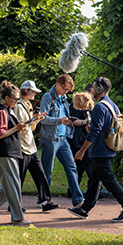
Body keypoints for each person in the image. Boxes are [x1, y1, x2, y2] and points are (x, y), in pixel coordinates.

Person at [67, 77, 123, 223]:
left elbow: (94, 132)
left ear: (99, 88)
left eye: (93, 87)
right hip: (107, 149)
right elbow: (102, 127)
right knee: (94, 179)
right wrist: (91, 128)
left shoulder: (99, 106)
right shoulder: (112, 105)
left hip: (100, 151)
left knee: (109, 181)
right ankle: (84, 209)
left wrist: (82, 151)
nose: (92, 90)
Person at [0, 81, 30, 225]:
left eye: (17, 99)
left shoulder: (9, 110)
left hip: (11, 150)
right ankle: (17, 217)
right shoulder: (2, 111)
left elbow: (13, 129)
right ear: (7, 98)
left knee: (11, 183)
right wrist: (16, 128)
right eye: (15, 99)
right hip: (5, 151)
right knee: (13, 185)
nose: (17, 101)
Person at [38, 74, 84, 207]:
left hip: (63, 139)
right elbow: (42, 118)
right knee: (47, 171)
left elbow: (65, 115)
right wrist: (59, 121)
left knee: (71, 167)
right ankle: (42, 200)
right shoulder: (48, 97)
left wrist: (70, 120)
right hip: (50, 139)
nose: (66, 92)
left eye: (68, 90)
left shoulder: (63, 97)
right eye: (65, 89)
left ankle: (78, 199)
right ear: (57, 84)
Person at [15, 80, 59, 212]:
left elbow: (31, 128)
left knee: (40, 175)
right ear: (26, 91)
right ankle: (14, 205)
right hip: (22, 147)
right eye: (33, 91)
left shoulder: (28, 105)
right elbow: (20, 128)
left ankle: (46, 201)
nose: (35, 93)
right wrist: (33, 120)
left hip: (31, 147)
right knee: (19, 178)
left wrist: (36, 119)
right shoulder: (18, 107)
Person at [67, 84, 111, 199]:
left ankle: (73, 190)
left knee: (80, 167)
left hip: (84, 138)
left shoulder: (92, 106)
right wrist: (86, 123)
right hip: (78, 139)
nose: (93, 96)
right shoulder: (77, 105)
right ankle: (96, 190)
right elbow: (72, 120)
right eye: (92, 94)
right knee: (88, 165)